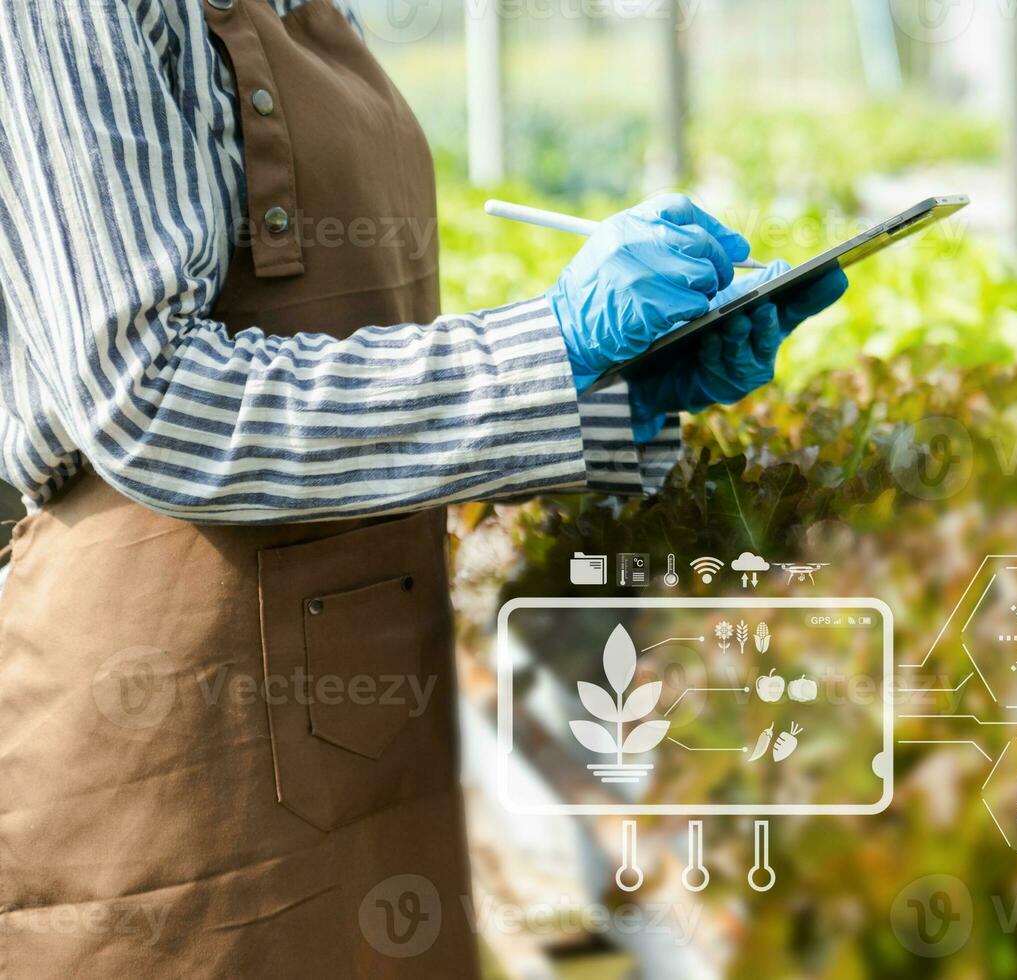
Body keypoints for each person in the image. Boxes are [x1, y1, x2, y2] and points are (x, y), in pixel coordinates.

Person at [0, 2, 845, 975]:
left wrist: (616, 399)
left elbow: (333, 368)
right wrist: (548, 343)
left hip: (367, 720)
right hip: (176, 739)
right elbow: (151, 400)